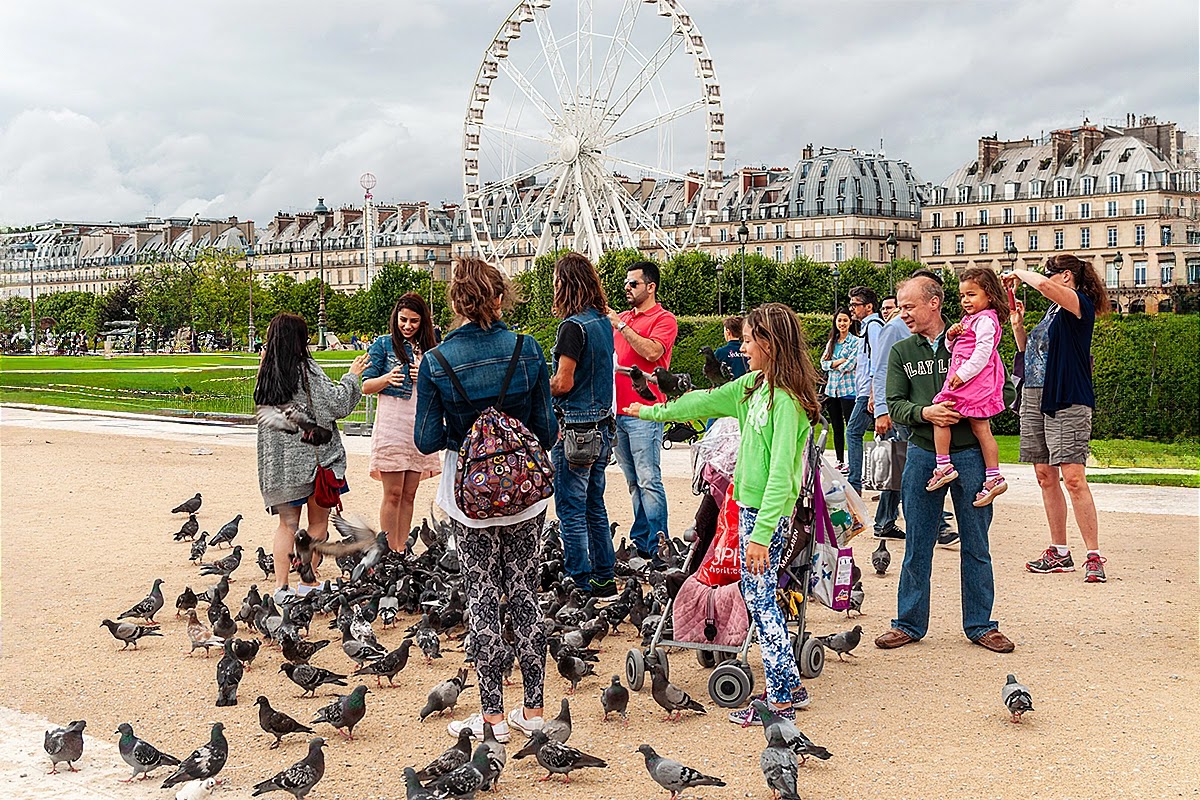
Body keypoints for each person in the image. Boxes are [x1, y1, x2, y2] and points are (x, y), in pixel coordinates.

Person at [626, 303, 821, 722]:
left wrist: (761, 534)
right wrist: (650, 411)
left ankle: (781, 700)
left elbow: (782, 476)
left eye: (750, 339)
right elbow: (702, 402)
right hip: (752, 510)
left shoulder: (785, 403)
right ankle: (791, 688)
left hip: (764, 516)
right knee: (762, 599)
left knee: (763, 602)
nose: (742, 346)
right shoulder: (752, 387)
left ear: (771, 344)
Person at [415, 256, 556, 743]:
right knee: (524, 593)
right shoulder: (528, 349)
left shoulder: (436, 361)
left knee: (481, 598)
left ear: (455, 303)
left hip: (467, 494)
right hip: (523, 493)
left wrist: (470, 429)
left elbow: (426, 438)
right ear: (499, 298)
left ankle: (492, 717)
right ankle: (534, 710)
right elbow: (548, 430)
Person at [875, 276, 1014, 653]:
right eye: (900, 307)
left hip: (970, 455)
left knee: (976, 543)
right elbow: (895, 403)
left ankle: (982, 625)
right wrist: (927, 412)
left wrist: (975, 407)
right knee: (917, 542)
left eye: (909, 306)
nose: (902, 314)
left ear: (934, 303)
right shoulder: (903, 351)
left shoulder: (972, 338)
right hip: (923, 454)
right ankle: (908, 623)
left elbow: (1004, 388)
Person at [1004, 254, 1109, 583]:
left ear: (1066, 276)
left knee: (1074, 477)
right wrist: (1019, 329)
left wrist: (1020, 271)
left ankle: (1093, 554)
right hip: (1036, 395)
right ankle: (1059, 551)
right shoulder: (1051, 313)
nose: (1045, 279)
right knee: (1045, 475)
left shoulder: (1078, 304)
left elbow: (1045, 286)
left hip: (1067, 396)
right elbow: (1028, 355)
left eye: (1051, 274)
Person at [254, 312, 369, 600]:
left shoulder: (265, 374)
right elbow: (336, 404)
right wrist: (352, 376)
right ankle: (307, 581)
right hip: (313, 463)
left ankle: (281, 587)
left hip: (277, 467)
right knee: (317, 525)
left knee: (286, 526)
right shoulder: (306, 369)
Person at [549, 253, 617, 598]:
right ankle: (605, 578)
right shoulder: (602, 322)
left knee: (571, 509)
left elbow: (563, 381)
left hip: (574, 428)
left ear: (566, 284)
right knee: (594, 505)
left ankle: (580, 582)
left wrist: (536, 386)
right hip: (602, 425)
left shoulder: (572, 327)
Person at [609, 260, 678, 563]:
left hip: (646, 411)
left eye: (633, 283)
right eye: (626, 283)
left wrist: (621, 326)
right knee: (634, 481)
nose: (627, 287)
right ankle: (643, 541)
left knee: (649, 480)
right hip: (619, 411)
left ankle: (658, 544)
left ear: (650, 287)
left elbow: (652, 352)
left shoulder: (664, 319)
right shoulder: (622, 317)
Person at [361, 293, 442, 552]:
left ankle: (401, 548)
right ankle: (388, 549)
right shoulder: (384, 345)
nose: (407, 326)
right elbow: (364, 385)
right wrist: (387, 379)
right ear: (395, 318)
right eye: (403, 320)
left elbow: (443, 385)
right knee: (393, 493)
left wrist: (427, 376)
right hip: (392, 425)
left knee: (409, 494)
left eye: (414, 321)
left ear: (423, 322)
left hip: (419, 425)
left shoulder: (431, 348)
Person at [927, 268, 1010, 507]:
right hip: (972, 380)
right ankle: (993, 476)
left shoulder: (985, 320)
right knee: (981, 427)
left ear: (990, 295)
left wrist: (962, 375)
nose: (965, 300)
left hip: (970, 380)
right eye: (963, 296)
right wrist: (951, 337)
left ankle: (943, 465)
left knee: (940, 414)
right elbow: (955, 349)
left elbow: (983, 352)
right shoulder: (970, 320)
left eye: (972, 295)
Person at [844, 286, 884, 495]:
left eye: (855, 304)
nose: (852, 309)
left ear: (868, 307)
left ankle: (854, 484)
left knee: (853, 432)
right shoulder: (869, 327)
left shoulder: (873, 327)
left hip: (868, 391)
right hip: (867, 389)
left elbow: (877, 360)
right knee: (889, 438)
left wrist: (872, 393)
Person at [819, 308, 858, 473]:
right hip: (832, 390)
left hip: (848, 390)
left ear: (850, 322)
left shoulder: (856, 341)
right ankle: (840, 459)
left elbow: (850, 365)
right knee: (836, 426)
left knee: (851, 427)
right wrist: (838, 362)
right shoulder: (832, 342)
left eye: (845, 320)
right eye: (839, 320)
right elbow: (823, 363)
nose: (842, 323)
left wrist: (834, 363)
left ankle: (852, 461)